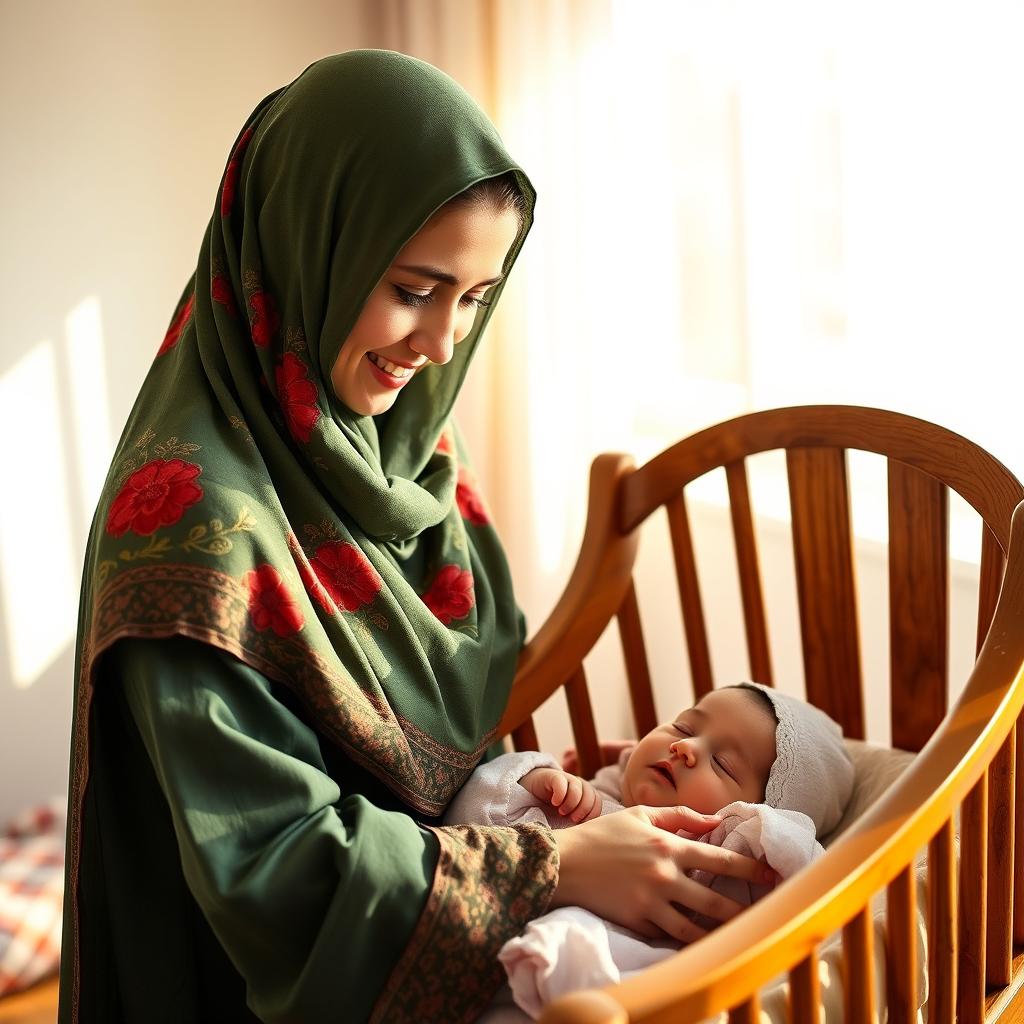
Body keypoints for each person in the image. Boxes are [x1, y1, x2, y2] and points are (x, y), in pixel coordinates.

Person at [60, 51, 771, 1024]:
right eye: (413, 288)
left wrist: (568, 802)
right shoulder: (192, 529)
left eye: (474, 297)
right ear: (309, 245)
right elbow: (274, 871)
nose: (441, 342)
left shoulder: (391, 439)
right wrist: (552, 864)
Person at [446, 684, 855, 1020]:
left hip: (602, 995)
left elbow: (798, 871)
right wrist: (531, 778)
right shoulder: (581, 798)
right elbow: (465, 826)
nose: (686, 747)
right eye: (682, 727)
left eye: (724, 764)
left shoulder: (724, 857)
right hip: (472, 964)